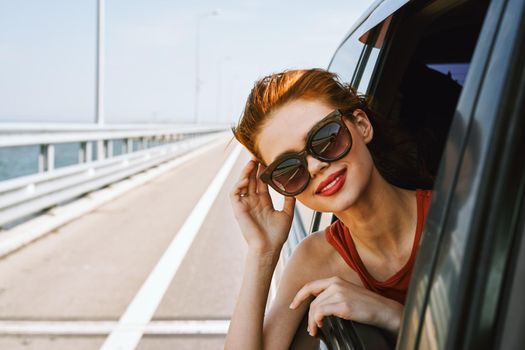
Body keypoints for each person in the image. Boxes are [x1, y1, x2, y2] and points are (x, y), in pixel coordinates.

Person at [224, 68, 433, 349]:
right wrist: (263, 251)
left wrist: (392, 315)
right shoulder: (316, 259)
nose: (314, 166)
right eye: (289, 169)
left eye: (326, 138)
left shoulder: (457, 216)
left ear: (361, 125)